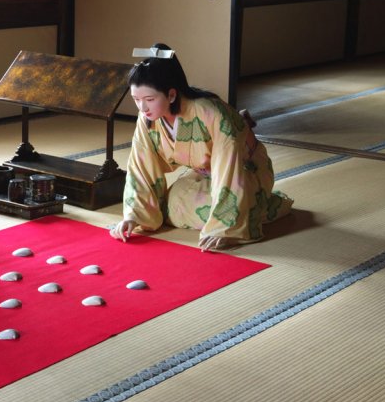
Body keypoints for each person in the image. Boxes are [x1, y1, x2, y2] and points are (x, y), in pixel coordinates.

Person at [109, 44, 292, 252]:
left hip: (244, 171)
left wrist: (223, 228)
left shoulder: (210, 112)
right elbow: (140, 165)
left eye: (149, 99)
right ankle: (253, 208)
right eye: (136, 100)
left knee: (195, 208)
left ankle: (261, 204)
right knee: (169, 206)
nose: (142, 108)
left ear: (171, 95)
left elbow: (230, 164)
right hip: (205, 173)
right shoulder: (148, 118)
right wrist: (134, 215)